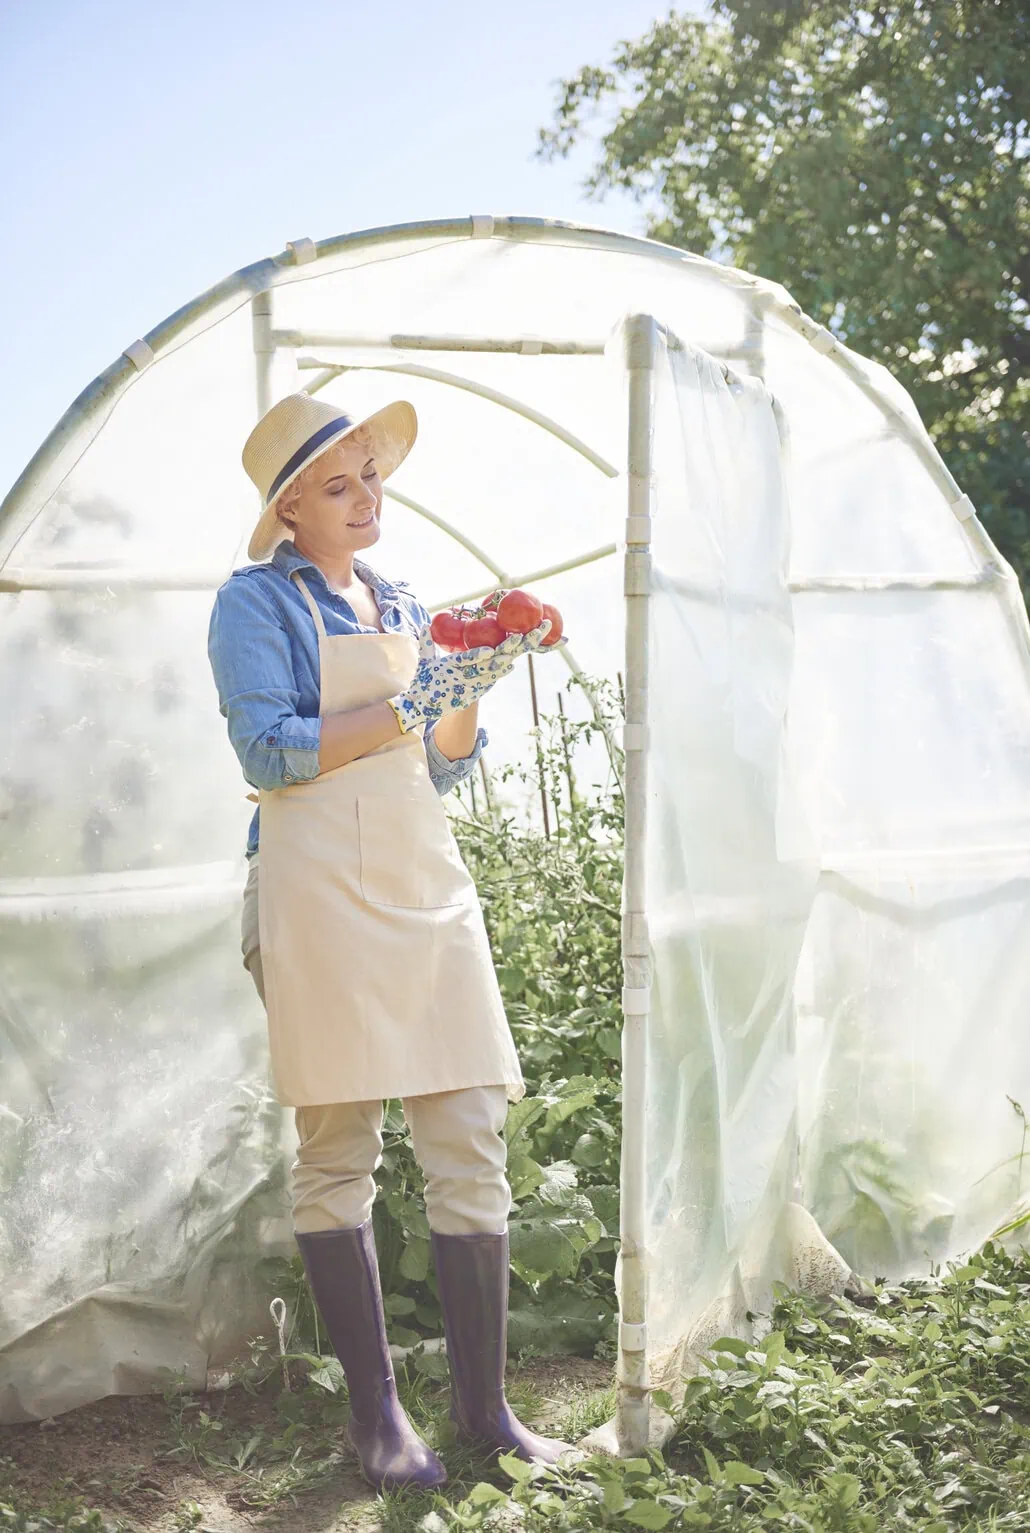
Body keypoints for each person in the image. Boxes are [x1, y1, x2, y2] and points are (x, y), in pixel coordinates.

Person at [207, 393, 571, 1491]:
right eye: (338, 484)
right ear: (288, 509)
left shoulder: (405, 601)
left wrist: (472, 678)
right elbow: (270, 753)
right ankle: (376, 1419)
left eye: (370, 474)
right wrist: (415, 704)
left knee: (470, 1133)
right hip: (314, 891)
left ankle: (486, 1412)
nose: (366, 497)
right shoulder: (253, 603)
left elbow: (443, 763)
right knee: (339, 1150)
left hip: (421, 883)